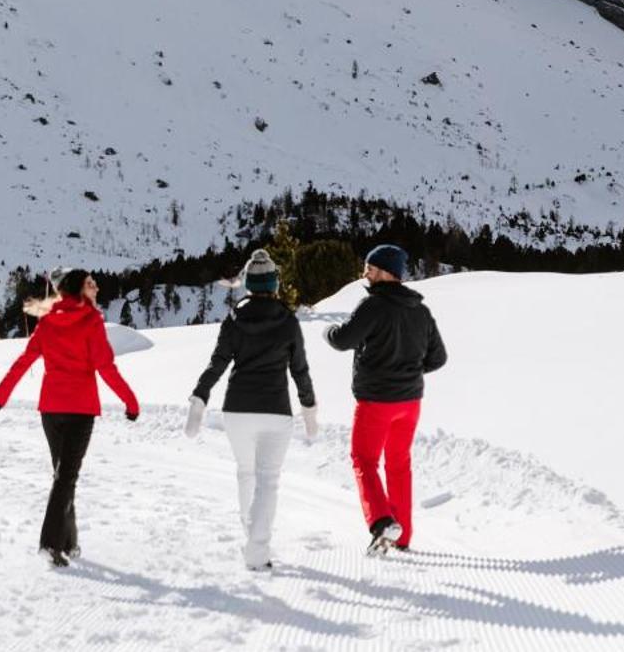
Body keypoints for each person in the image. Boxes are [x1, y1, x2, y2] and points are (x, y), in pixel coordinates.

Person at [0, 269, 140, 567]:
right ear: (79, 291)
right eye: (90, 284)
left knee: (63, 476)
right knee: (65, 477)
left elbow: (24, 361)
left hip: (51, 410)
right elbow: (106, 368)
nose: (96, 287)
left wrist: (0, 395)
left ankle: (69, 544)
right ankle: (50, 543)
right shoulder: (91, 322)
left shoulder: (48, 321)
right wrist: (130, 402)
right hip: (80, 412)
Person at [184, 248, 318, 571]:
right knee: (268, 481)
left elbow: (217, 364)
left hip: (238, 410)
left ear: (247, 286)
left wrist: (199, 400)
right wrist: (309, 409)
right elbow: (300, 370)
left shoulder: (234, 320)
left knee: (246, 473)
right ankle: (257, 549)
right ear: (273, 284)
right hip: (275, 411)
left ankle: (251, 533)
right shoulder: (288, 321)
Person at [325, 243, 447, 554]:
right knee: (398, 465)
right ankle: (402, 537)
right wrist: (407, 370)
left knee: (363, 460)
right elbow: (438, 358)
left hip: (376, 401)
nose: (365, 274)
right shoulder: (420, 311)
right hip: (409, 403)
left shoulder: (373, 306)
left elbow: (343, 340)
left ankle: (381, 521)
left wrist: (329, 332)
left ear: (386, 272)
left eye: (370, 268)